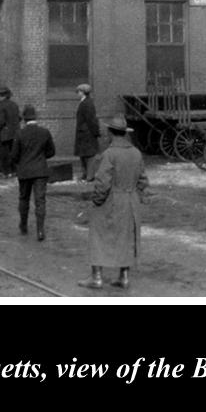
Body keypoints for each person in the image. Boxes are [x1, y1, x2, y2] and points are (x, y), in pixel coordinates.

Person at [79, 116, 149, 291]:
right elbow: (143, 180)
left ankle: (96, 278)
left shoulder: (109, 154)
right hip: (131, 201)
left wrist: (96, 200)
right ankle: (124, 277)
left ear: (111, 133)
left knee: (98, 233)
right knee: (127, 236)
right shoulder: (136, 152)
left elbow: (103, 182)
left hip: (112, 199)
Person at [11, 105, 55, 241]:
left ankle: (23, 226)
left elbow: (14, 155)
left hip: (24, 171)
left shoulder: (19, 133)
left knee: (24, 198)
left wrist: (21, 162)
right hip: (41, 171)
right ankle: (40, 231)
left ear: (24, 119)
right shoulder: (45, 132)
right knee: (40, 201)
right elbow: (51, 152)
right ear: (35, 117)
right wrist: (41, 158)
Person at [74, 83, 100, 182]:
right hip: (84, 134)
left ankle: (90, 176)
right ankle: (86, 175)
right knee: (84, 155)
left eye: (79, 91)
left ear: (83, 92)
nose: (77, 93)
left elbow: (91, 120)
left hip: (87, 134)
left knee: (89, 156)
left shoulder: (87, 103)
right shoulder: (84, 102)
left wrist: (95, 132)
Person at [0, 87, 20, 177]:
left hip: (5, 134)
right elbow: (19, 117)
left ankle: (6, 172)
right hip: (15, 132)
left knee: (4, 154)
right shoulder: (14, 105)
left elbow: (0, 122)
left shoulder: (1, 106)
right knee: (13, 152)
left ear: (1, 96)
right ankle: (14, 170)